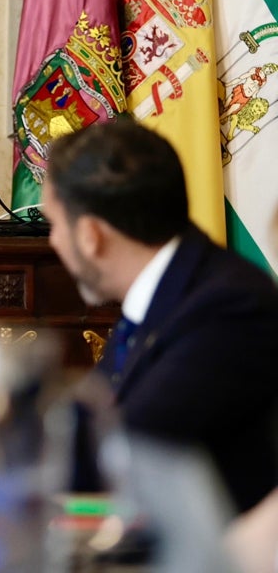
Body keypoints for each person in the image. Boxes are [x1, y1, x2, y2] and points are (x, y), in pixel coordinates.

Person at [41, 118, 278, 515]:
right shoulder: (166, 291)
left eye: (54, 225)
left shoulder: (228, 306)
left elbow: (127, 450)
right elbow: (84, 418)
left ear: (90, 236)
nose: (52, 241)